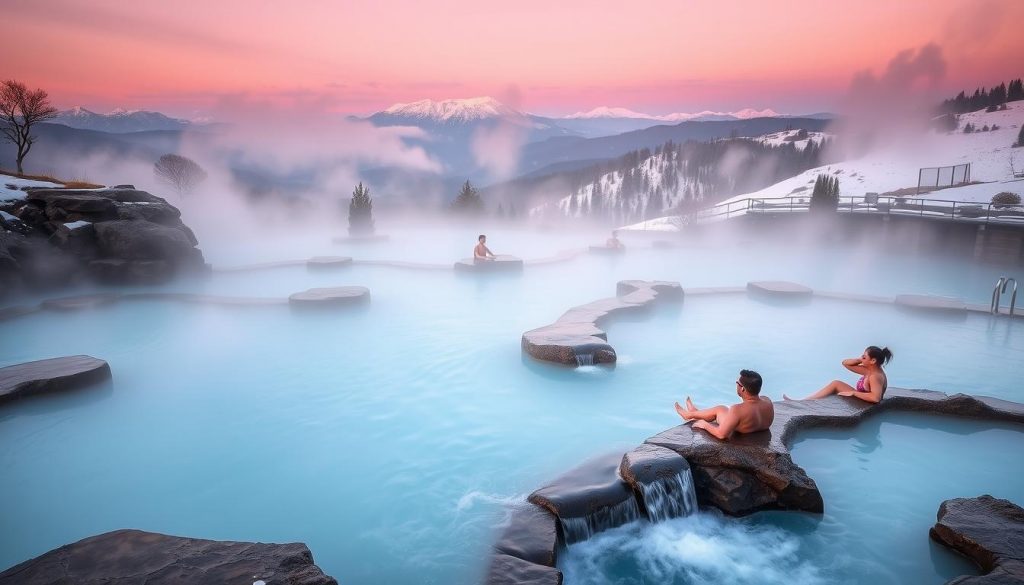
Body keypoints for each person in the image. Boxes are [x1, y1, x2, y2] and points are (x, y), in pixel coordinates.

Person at [674, 369, 774, 440]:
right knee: (724, 409)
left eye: (737, 383)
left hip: (744, 428)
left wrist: (704, 425)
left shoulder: (737, 410)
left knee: (720, 409)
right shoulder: (767, 401)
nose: (736, 385)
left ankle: (689, 415)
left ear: (742, 388)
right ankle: (695, 412)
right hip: (757, 426)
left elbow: (721, 435)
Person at [784, 346, 892, 404]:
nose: (861, 358)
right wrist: (860, 359)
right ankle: (804, 401)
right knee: (836, 383)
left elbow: (875, 398)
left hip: (867, 404)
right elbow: (845, 363)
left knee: (836, 385)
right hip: (862, 397)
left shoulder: (875, 376)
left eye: (864, 357)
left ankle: (803, 402)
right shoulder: (869, 370)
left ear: (873, 360)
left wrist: (853, 393)